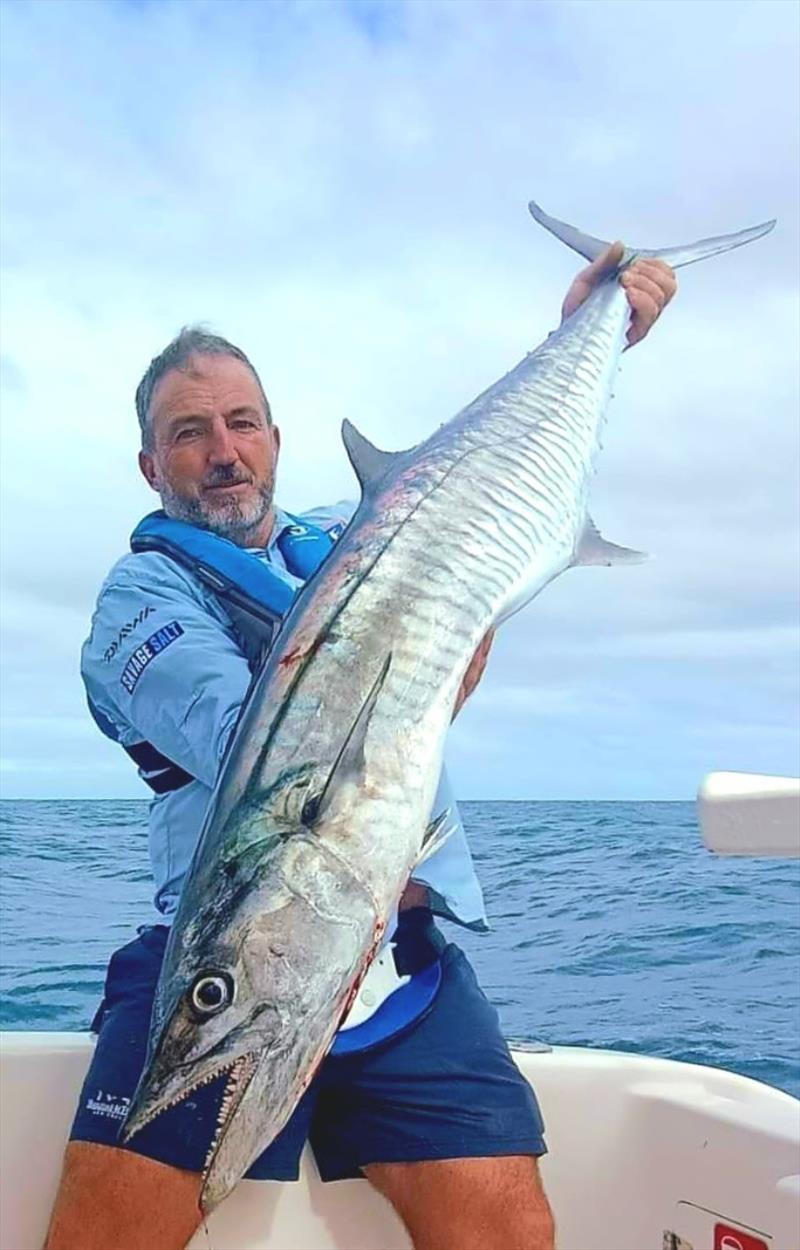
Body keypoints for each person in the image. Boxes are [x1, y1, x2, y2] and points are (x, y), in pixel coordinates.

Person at [44, 244, 676, 1250]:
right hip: (229, 975)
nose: (223, 450)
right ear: (149, 463)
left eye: (241, 423)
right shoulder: (138, 606)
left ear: (274, 437)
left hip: (399, 963)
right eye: (189, 432)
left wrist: (587, 328)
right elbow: (272, 744)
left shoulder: (351, 532)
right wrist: (420, 651)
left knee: (508, 1228)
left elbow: (488, 479)